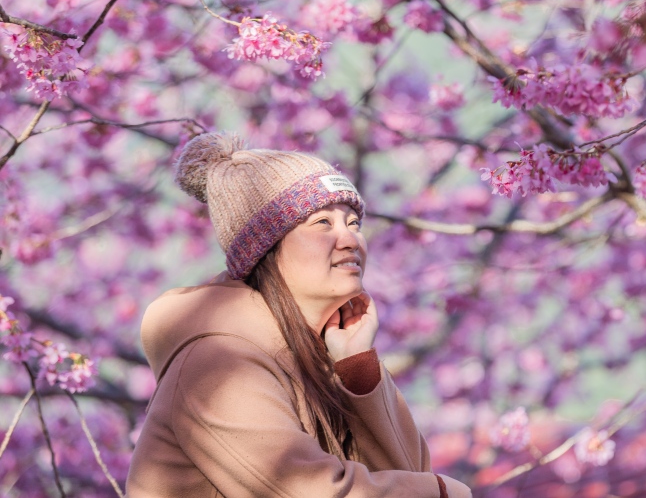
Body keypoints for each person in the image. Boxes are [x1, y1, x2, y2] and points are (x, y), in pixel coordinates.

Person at [126, 133, 472, 498]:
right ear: (265, 247)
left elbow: (407, 472)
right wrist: (443, 492)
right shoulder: (216, 358)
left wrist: (358, 369)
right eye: (322, 223)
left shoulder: (314, 354)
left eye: (353, 223)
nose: (350, 239)